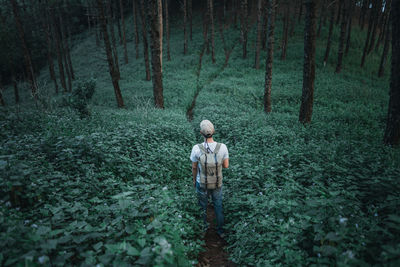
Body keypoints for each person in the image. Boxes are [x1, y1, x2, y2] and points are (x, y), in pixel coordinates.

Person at [190, 120, 229, 238]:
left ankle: (203, 230)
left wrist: (194, 180)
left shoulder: (196, 148)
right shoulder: (222, 147)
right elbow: (226, 166)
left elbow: (194, 167)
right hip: (217, 182)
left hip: (201, 182)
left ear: (201, 133)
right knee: (218, 205)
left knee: (202, 205)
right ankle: (220, 231)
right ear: (214, 132)